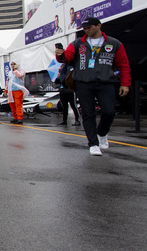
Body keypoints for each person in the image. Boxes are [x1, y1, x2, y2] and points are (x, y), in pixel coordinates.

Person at [56, 17, 131, 156]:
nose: (86, 29)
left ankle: (102, 133)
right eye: (84, 27)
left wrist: (125, 84)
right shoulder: (78, 43)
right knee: (87, 113)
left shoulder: (114, 43)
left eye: (89, 27)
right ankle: (93, 143)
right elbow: (67, 57)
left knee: (109, 112)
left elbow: (124, 65)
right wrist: (60, 55)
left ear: (98, 26)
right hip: (84, 83)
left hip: (105, 82)